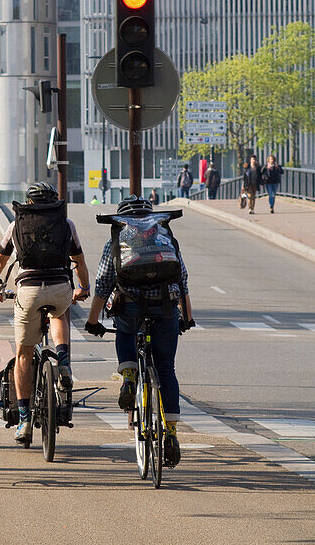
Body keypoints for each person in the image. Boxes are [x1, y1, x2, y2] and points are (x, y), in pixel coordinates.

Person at [84, 195, 194, 469]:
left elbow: (103, 284)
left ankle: (130, 378)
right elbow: (182, 280)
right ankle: (170, 435)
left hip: (131, 307)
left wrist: (93, 321)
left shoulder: (116, 243)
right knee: (166, 369)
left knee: (124, 330)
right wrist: (187, 317)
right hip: (165, 309)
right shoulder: (164, 239)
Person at [0, 182, 91, 445]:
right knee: (60, 313)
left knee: (23, 354)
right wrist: (84, 288)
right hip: (59, 286)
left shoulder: (16, 226)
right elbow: (79, 261)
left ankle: (24, 420)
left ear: (29, 202)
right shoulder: (66, 225)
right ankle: (64, 363)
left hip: (28, 290)